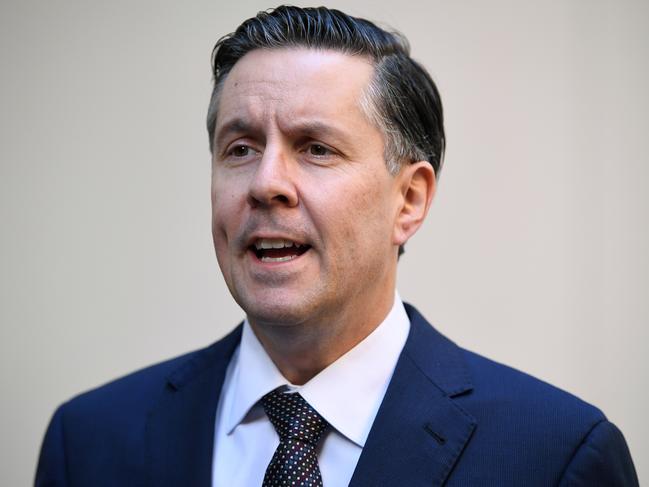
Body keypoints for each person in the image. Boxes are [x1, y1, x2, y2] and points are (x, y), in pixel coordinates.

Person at [35, 6, 638, 486]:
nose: (267, 183)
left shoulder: (555, 457)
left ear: (409, 201)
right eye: (240, 147)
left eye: (316, 148)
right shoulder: (89, 441)